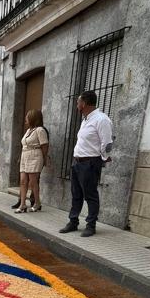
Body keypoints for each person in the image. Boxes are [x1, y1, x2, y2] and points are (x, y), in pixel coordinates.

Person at [59, 90, 113, 237]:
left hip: (90, 163)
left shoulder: (101, 119)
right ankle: (73, 222)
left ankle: (91, 225)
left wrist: (103, 158)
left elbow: (107, 143)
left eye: (78, 102)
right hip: (78, 163)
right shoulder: (86, 119)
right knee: (76, 194)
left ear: (84, 103)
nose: (77, 105)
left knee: (90, 195)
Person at [15, 110, 49, 213]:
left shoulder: (40, 130)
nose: (26, 119)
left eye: (27, 117)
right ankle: (22, 204)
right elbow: (24, 145)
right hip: (25, 156)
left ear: (33, 118)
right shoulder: (28, 130)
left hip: (35, 156)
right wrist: (21, 157)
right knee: (23, 181)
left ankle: (37, 203)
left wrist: (44, 159)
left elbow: (45, 145)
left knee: (33, 182)